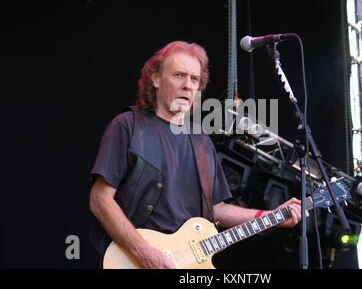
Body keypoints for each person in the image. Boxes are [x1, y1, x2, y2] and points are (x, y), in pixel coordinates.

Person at [89, 41, 306, 269]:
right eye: (179, 76)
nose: (187, 86)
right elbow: (100, 199)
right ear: (155, 79)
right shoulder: (128, 126)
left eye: (194, 79)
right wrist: (145, 253)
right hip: (136, 260)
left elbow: (216, 209)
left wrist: (270, 216)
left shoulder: (201, 141)